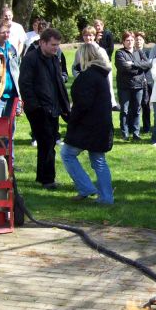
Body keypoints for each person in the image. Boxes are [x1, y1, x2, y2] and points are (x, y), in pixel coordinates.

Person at [61, 42, 114, 204]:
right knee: (98, 160)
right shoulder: (101, 74)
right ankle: (106, 197)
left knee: (67, 154)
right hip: (101, 125)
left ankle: (86, 188)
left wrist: (71, 119)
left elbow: (83, 104)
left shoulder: (87, 76)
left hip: (88, 126)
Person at [19, 28, 70, 190]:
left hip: (53, 107)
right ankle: (48, 179)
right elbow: (25, 85)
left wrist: (64, 106)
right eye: (53, 45)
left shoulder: (54, 59)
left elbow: (59, 84)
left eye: (57, 45)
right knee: (46, 142)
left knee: (49, 142)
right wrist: (36, 107)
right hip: (39, 109)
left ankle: (43, 177)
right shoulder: (30, 59)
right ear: (42, 43)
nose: (56, 48)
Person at [115, 30, 150, 141]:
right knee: (124, 110)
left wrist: (133, 64)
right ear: (123, 42)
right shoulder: (120, 53)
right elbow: (123, 68)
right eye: (127, 40)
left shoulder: (139, 51)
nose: (130, 42)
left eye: (131, 40)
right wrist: (139, 68)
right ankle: (125, 133)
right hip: (124, 87)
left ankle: (136, 133)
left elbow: (148, 64)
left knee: (137, 110)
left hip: (138, 86)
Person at [133, 31, 152, 133]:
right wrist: (142, 64)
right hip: (135, 81)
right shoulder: (131, 52)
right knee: (135, 105)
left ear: (143, 41)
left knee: (146, 104)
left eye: (140, 39)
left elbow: (149, 64)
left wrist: (136, 64)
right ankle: (133, 127)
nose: (138, 41)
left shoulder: (148, 52)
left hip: (146, 81)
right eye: (136, 39)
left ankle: (146, 127)